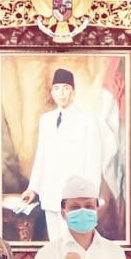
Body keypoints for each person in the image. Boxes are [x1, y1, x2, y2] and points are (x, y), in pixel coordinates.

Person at [20, 68, 103, 242]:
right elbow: (41, 156)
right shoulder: (46, 120)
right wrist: (33, 188)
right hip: (50, 193)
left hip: (75, 197)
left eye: (66, 88)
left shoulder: (87, 121)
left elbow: (93, 162)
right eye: (57, 88)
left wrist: (90, 197)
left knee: (75, 243)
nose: (61, 93)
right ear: (52, 92)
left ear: (73, 92)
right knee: (56, 244)